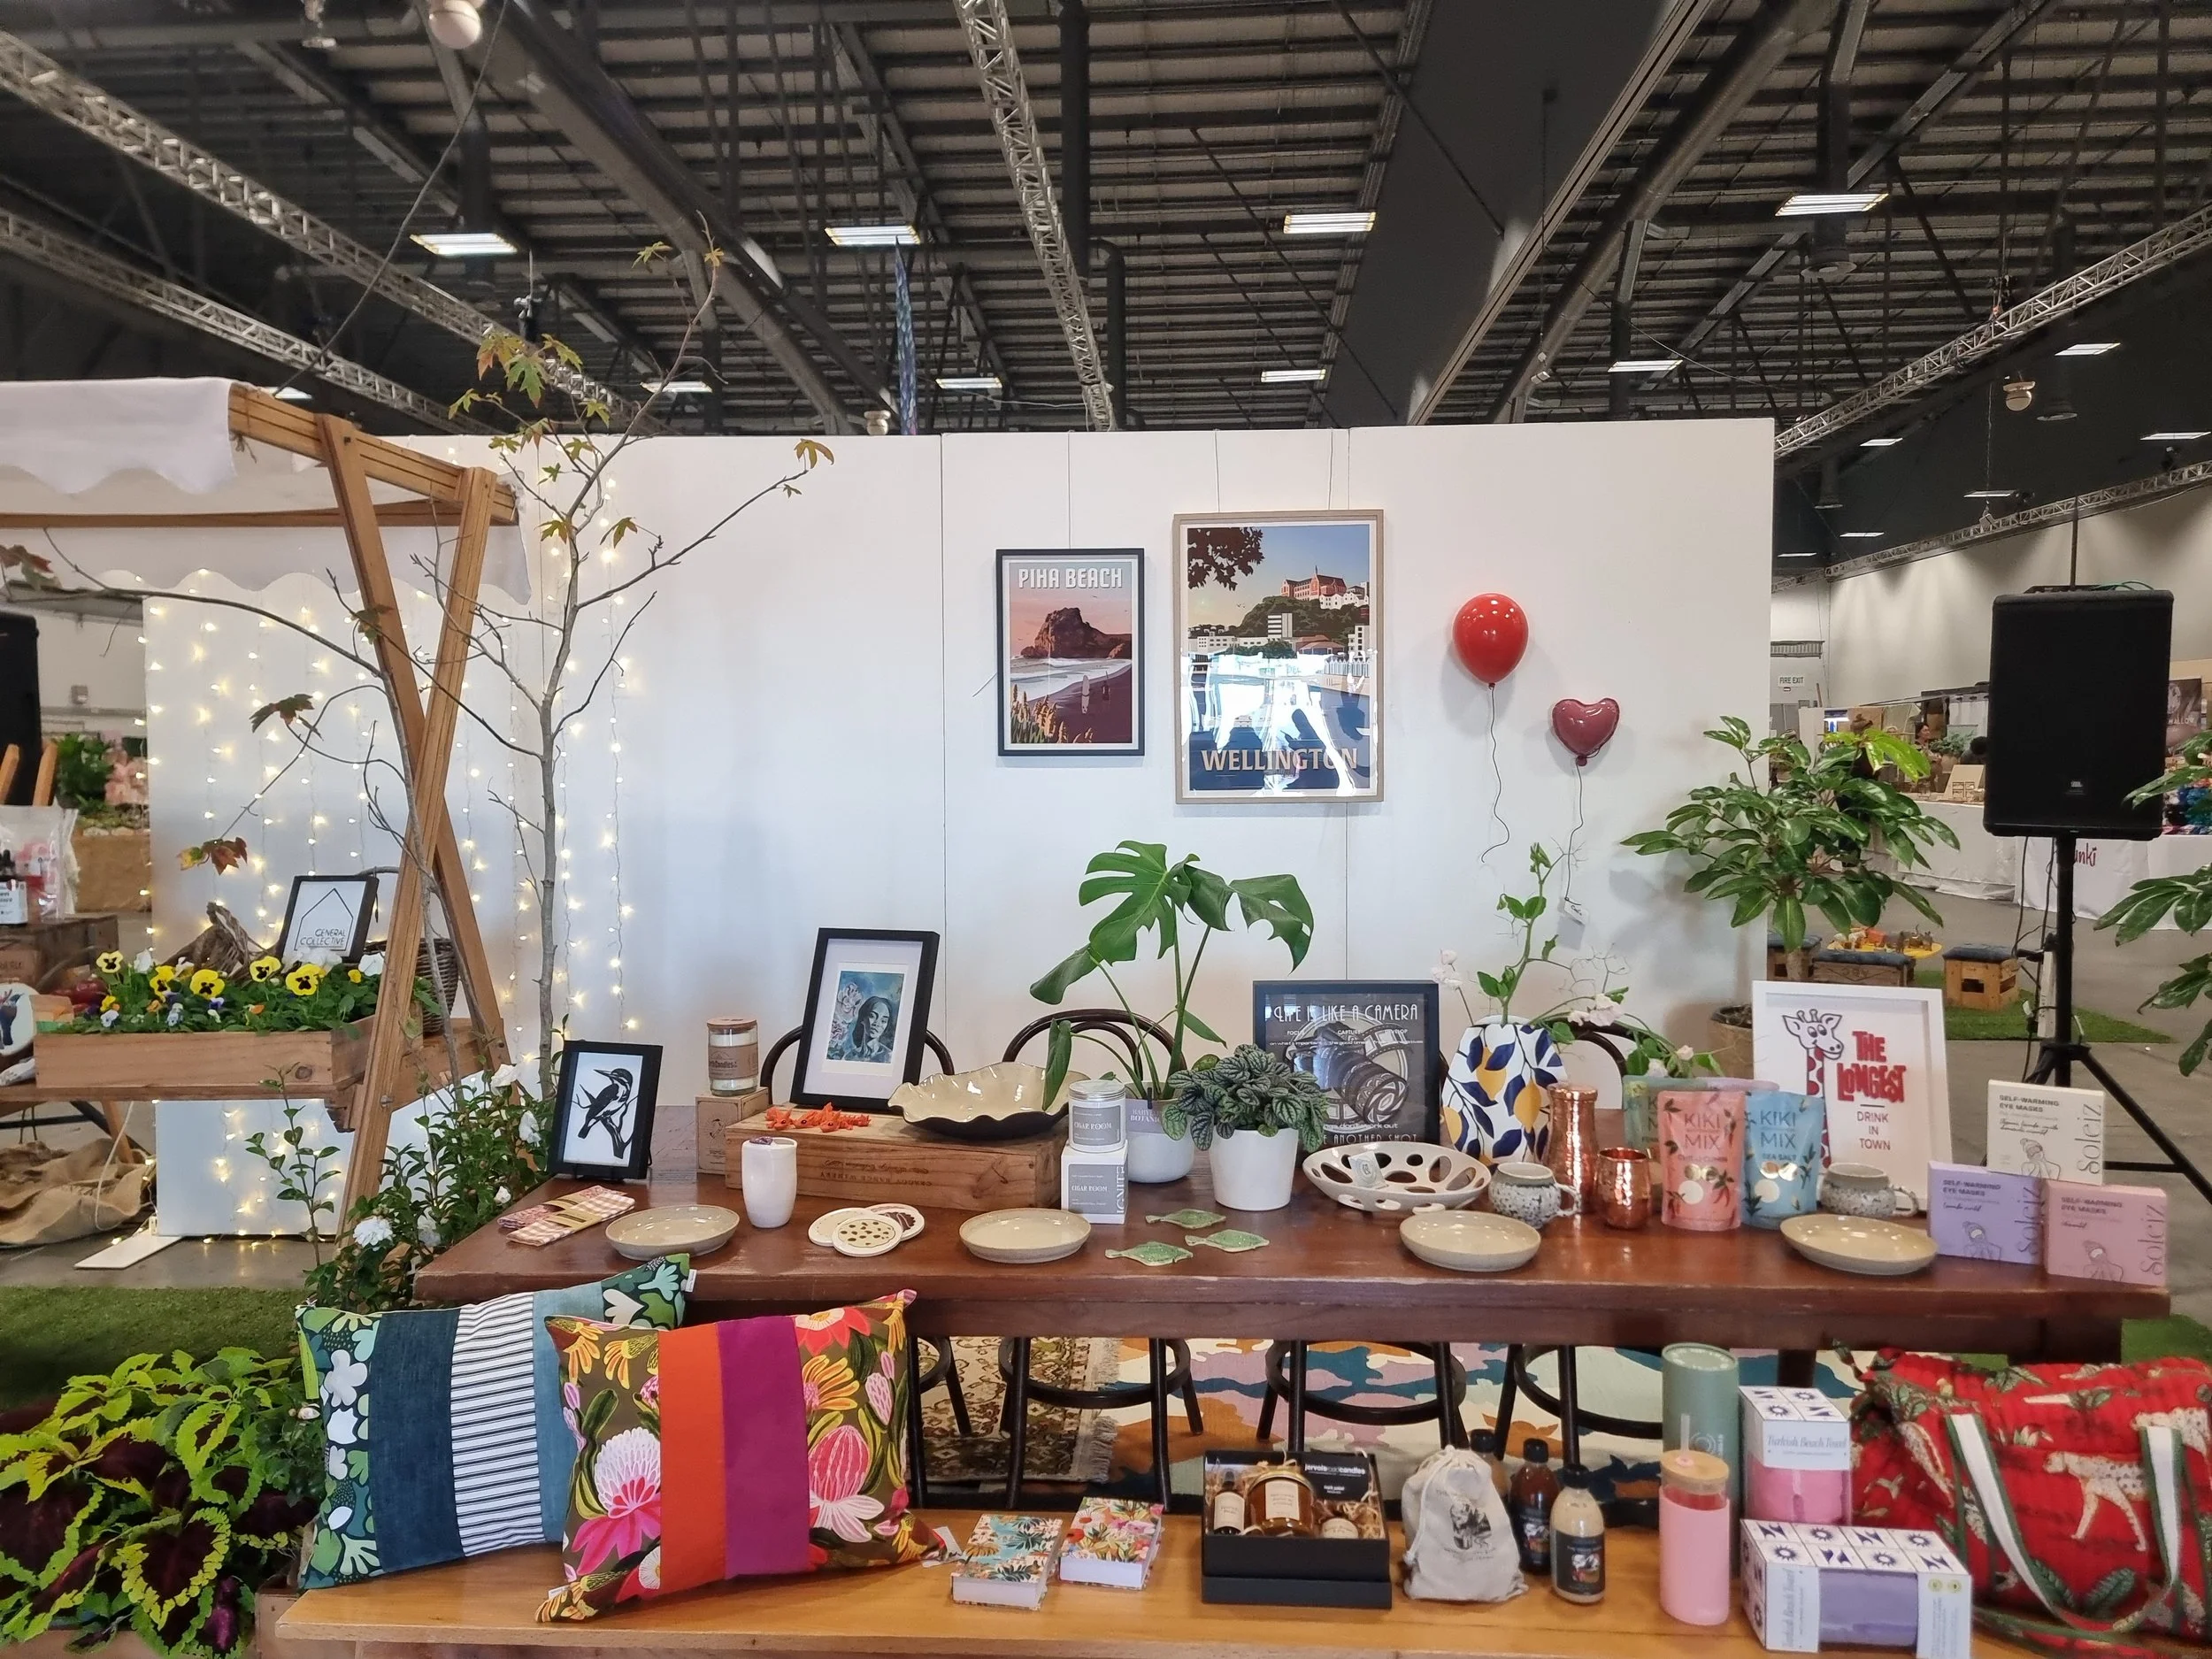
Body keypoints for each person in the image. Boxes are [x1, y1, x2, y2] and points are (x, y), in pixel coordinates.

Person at [833, 995, 896, 1063]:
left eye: (883, 1021)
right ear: (863, 1018)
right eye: (872, 1016)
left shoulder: (889, 1056)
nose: (877, 1024)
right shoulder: (849, 1057)